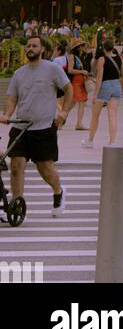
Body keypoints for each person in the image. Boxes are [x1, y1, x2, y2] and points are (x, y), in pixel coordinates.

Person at [0, 35, 72, 216]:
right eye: (28, 46)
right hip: (21, 127)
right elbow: (12, 97)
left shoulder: (53, 69)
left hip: (44, 128)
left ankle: (58, 191)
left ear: (42, 50)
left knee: (45, 169)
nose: (30, 48)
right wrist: (7, 114)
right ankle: (17, 205)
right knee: (16, 166)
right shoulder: (19, 73)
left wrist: (63, 112)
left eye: (34, 46)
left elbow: (69, 90)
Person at [82, 34, 123, 147]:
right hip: (116, 86)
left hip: (105, 86)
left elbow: (99, 77)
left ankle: (90, 141)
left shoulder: (102, 59)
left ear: (104, 48)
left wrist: (95, 94)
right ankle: (112, 142)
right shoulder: (119, 58)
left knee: (95, 115)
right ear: (113, 47)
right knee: (113, 115)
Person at [55, 38, 88, 130]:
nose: (84, 47)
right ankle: (78, 124)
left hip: (80, 82)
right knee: (80, 102)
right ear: (78, 47)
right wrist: (82, 72)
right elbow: (70, 70)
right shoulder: (72, 57)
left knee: (72, 104)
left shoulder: (80, 57)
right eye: (82, 46)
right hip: (76, 82)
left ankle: (60, 121)